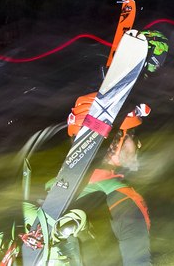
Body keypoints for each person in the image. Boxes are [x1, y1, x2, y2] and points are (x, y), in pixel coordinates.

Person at [63, 93, 153, 266]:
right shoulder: (125, 200)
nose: (139, 144)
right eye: (133, 136)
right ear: (115, 141)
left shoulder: (50, 190)